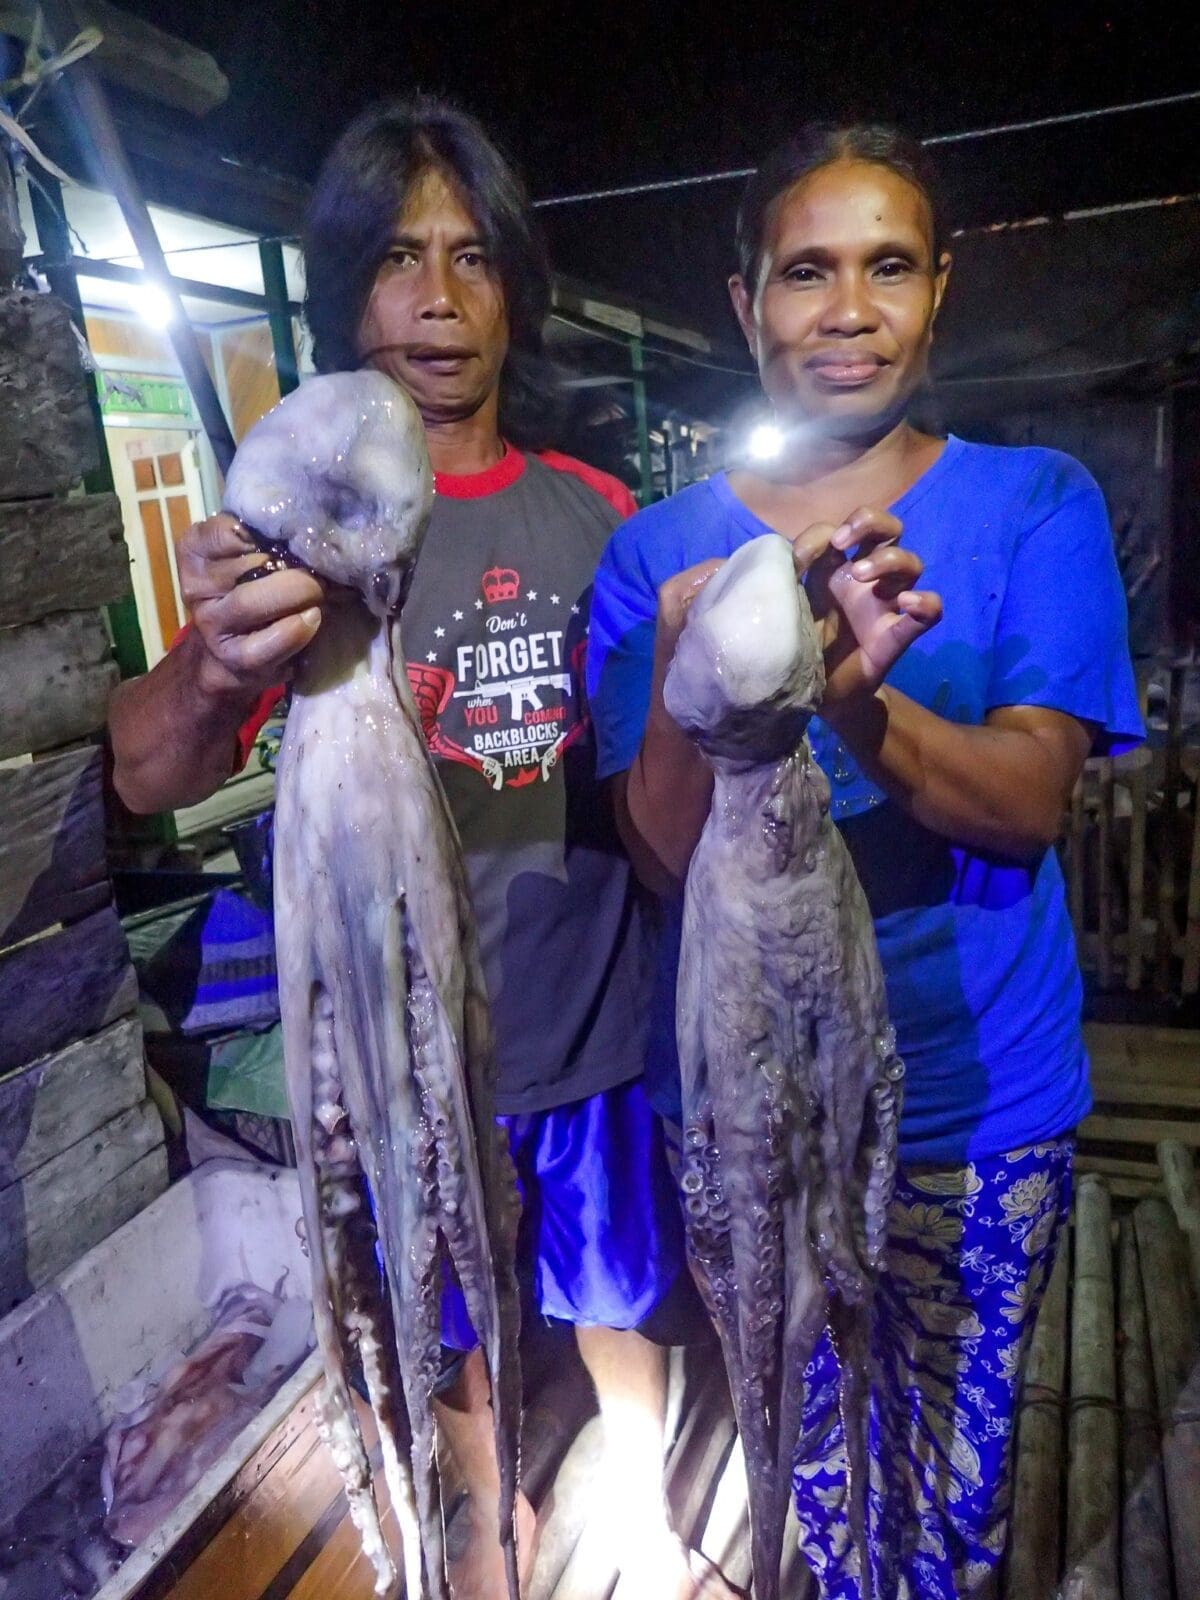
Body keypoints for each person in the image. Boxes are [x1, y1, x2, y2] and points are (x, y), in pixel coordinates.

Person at [109, 97, 734, 1600]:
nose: (438, 300)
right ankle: (490, 1518)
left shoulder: (600, 515)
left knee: (616, 1289)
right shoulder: (297, 540)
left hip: (591, 1024)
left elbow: (662, 781)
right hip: (402, 1050)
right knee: (450, 1309)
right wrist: (217, 662)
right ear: (347, 294)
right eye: (398, 258)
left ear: (515, 288)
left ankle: (641, 1508)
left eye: (472, 257)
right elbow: (143, 770)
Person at [586, 123, 1143, 1599]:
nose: (848, 310)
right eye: (805, 272)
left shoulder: (1036, 502)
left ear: (939, 287)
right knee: (813, 1466)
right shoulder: (658, 557)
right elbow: (661, 852)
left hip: (976, 1101)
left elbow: (1026, 803)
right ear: (744, 301)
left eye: (888, 267)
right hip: (744, 1108)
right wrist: (702, 684)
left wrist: (844, 698)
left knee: (953, 1489)